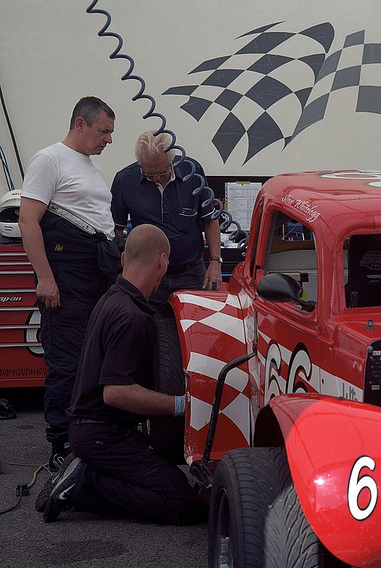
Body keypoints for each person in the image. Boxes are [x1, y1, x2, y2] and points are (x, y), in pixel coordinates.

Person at [41, 224, 205, 525]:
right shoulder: (132, 317)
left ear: (123, 260)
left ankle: (90, 473)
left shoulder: (111, 299)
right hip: (103, 435)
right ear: (163, 262)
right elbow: (116, 393)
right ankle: (82, 485)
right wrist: (182, 404)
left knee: (166, 478)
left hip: (92, 429)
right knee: (184, 504)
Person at [19, 96, 123, 468]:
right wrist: (45, 279)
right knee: (68, 360)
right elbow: (28, 221)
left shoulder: (90, 167)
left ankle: (90, 435)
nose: (108, 139)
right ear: (80, 123)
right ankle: (61, 445)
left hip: (97, 266)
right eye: (104, 131)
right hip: (67, 269)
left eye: (111, 132)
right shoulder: (49, 159)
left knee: (96, 357)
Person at [110, 131, 222, 313]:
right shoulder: (124, 180)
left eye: (161, 173)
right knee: (148, 331)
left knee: (194, 329)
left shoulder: (192, 173)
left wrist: (215, 263)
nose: (155, 179)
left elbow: (210, 219)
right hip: (147, 274)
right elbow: (116, 231)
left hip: (191, 272)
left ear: (172, 161)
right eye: (149, 174)